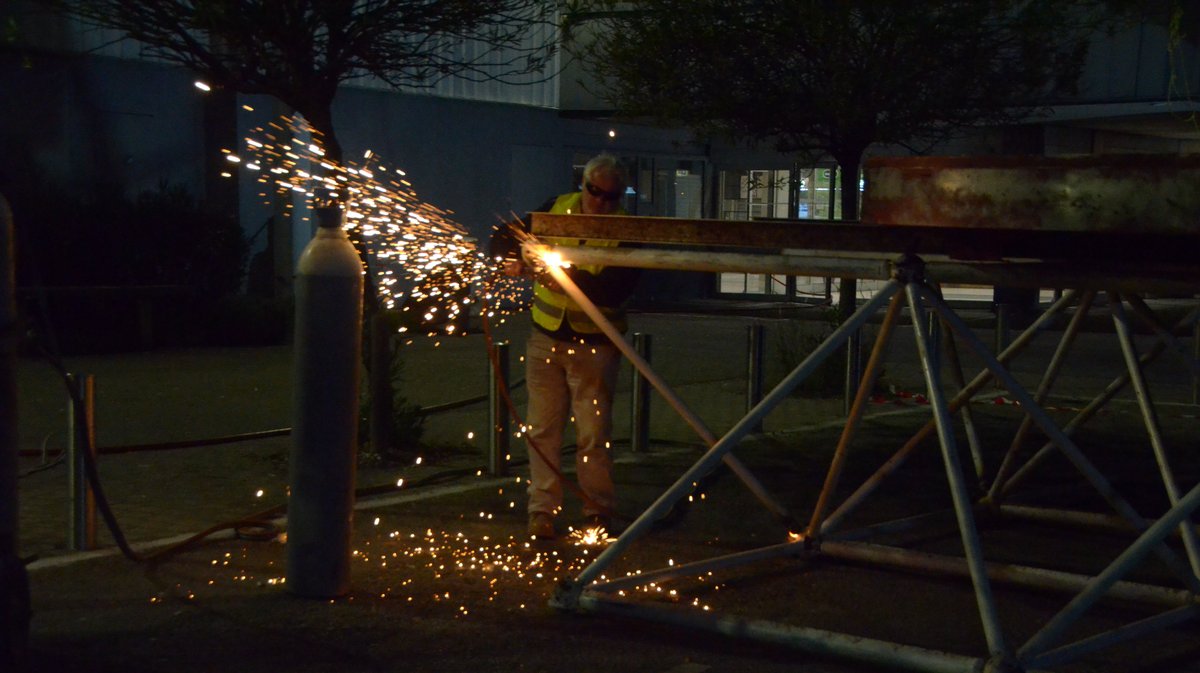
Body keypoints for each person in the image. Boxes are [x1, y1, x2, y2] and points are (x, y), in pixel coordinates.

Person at [490, 153, 639, 539]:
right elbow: (506, 236)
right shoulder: (556, 208)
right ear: (584, 185)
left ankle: (597, 511)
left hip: (594, 346)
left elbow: (615, 289)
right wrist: (510, 258)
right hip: (546, 337)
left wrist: (563, 279)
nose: (601, 202)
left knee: (592, 434)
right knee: (542, 430)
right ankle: (541, 511)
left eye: (611, 196)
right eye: (595, 192)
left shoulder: (626, 228)